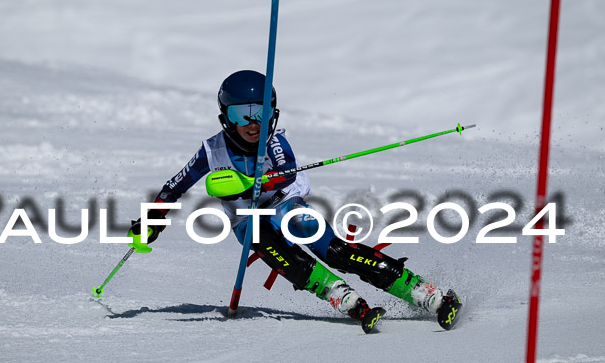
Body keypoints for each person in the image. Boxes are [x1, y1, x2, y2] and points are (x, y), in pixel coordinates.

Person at [130, 70, 462, 333]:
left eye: (259, 112)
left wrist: (253, 181)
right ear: (225, 116)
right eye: (241, 114)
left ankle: (426, 295)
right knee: (267, 242)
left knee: (335, 252)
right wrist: (152, 221)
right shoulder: (211, 151)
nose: (251, 123)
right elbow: (175, 185)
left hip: (285, 205)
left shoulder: (273, 142)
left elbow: (287, 173)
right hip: (247, 219)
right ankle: (339, 294)